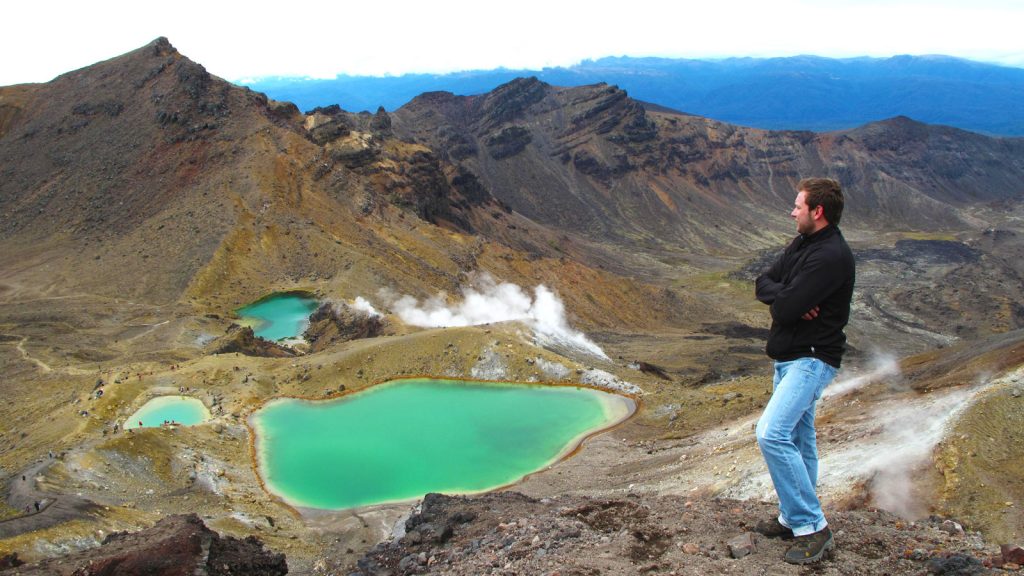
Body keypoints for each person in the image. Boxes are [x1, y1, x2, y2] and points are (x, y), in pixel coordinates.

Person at [753, 177, 855, 565]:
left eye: (798, 206)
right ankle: (793, 518)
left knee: (771, 433)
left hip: (812, 359)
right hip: (790, 356)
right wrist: (790, 294)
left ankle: (813, 526)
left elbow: (780, 308)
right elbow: (764, 283)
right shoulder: (803, 244)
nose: (791, 211)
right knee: (799, 439)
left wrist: (789, 298)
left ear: (818, 212)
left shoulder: (830, 256)